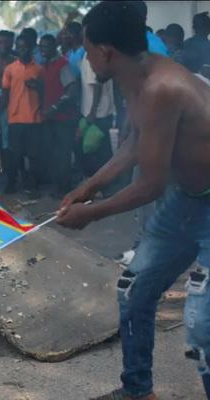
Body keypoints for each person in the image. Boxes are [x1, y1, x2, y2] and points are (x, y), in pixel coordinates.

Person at [57, 2, 210, 399]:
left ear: (105, 51)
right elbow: (134, 143)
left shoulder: (162, 86)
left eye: (88, 50)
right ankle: (137, 391)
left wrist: (90, 214)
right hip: (188, 199)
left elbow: (151, 185)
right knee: (134, 289)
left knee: (203, 324)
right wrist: (89, 185)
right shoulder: (134, 75)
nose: (86, 59)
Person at [0, 35, 44, 197]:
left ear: (31, 48)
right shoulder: (10, 69)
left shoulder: (39, 69)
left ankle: (33, 186)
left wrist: (37, 86)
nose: (21, 50)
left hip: (34, 119)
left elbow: (46, 93)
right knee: (14, 155)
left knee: (34, 156)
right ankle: (12, 183)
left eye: (25, 47)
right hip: (14, 118)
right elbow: (5, 94)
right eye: (19, 46)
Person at [39, 34, 79, 198]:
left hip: (64, 118)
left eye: (46, 46)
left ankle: (64, 188)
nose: (42, 49)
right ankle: (59, 186)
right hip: (51, 118)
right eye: (40, 46)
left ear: (54, 47)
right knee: (54, 153)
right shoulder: (46, 65)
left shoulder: (62, 65)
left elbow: (72, 89)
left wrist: (56, 107)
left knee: (62, 153)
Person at [78, 56, 115, 183]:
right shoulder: (102, 56)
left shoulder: (90, 58)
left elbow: (96, 85)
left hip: (96, 114)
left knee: (96, 151)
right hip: (104, 111)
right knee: (103, 151)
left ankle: (102, 183)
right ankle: (107, 183)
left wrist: (92, 112)